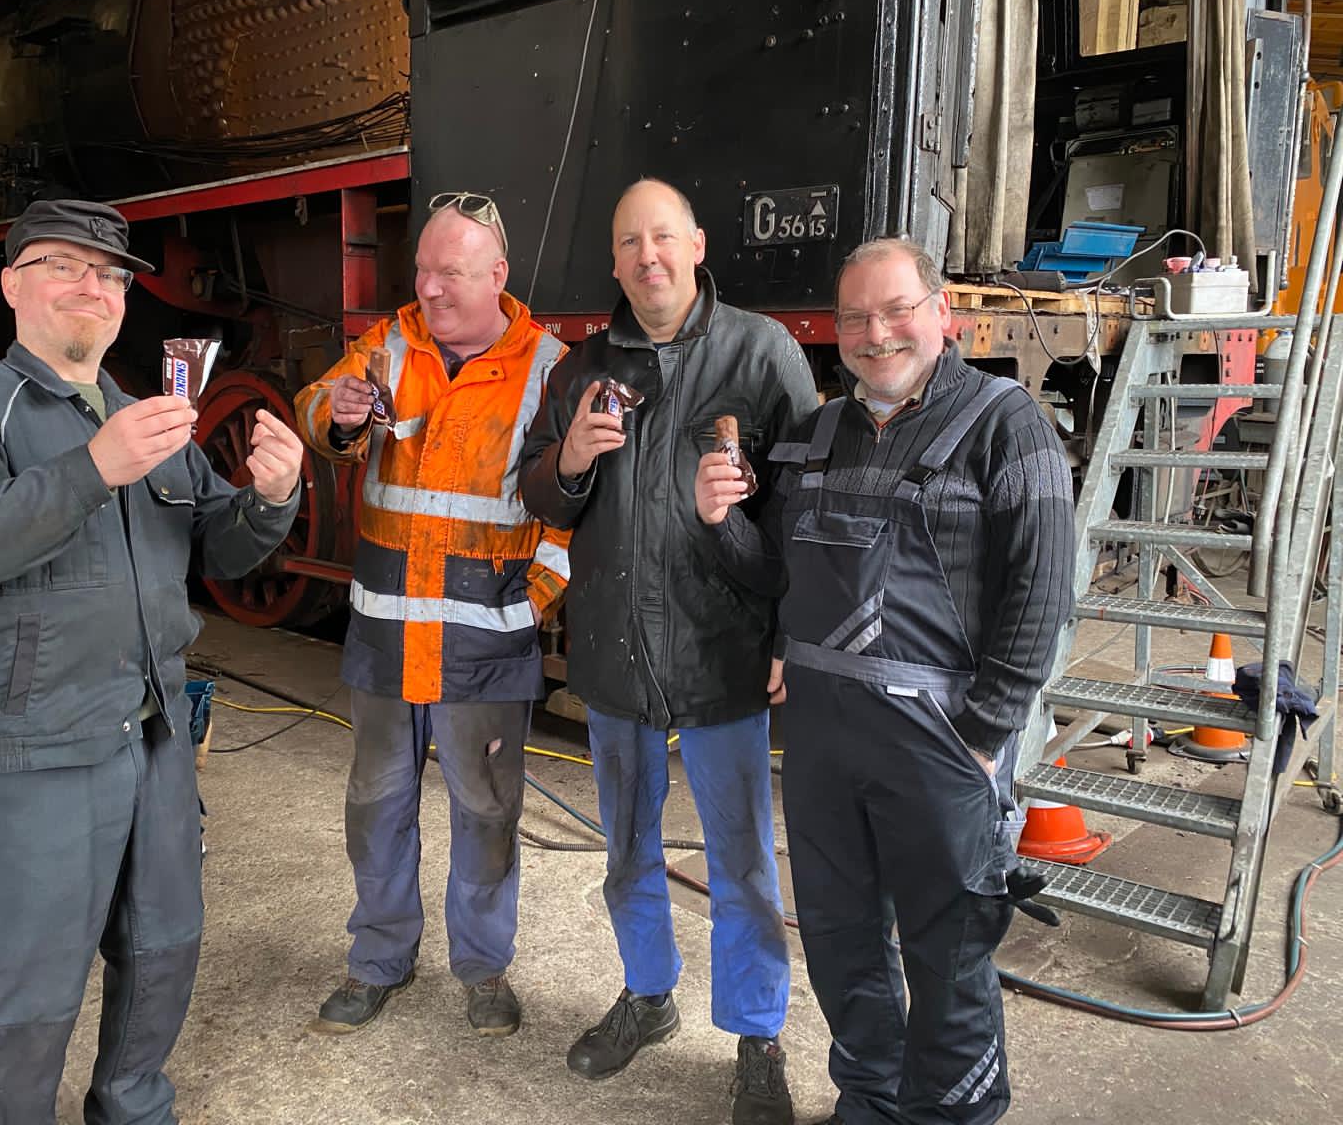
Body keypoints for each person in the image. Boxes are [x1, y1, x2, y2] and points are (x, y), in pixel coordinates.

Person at [0, 198, 304, 1125]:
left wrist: (272, 498)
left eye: (110, 275)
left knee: (164, 953)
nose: (93, 286)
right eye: (64, 266)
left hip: (155, 738)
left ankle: (134, 1109)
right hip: (39, 750)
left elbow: (218, 545)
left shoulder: (142, 416)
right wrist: (89, 469)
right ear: (12, 285)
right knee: (28, 1001)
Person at [695, 237, 1076, 1125]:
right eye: (856, 317)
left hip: (942, 740)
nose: (877, 334)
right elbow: (777, 576)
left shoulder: (1006, 423)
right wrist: (721, 522)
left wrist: (985, 734)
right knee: (839, 937)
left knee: (950, 951)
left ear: (943, 314)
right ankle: (868, 1098)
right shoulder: (816, 432)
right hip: (823, 738)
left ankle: (953, 1113)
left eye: (898, 310)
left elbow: (1043, 590)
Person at [519, 178, 817, 1125]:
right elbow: (539, 493)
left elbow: (803, 512)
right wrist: (570, 457)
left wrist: (789, 634)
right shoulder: (582, 368)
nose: (647, 256)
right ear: (614, 263)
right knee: (627, 852)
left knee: (742, 865)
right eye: (628, 242)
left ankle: (758, 1036)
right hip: (616, 655)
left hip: (722, 651)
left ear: (696, 246)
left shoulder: (761, 353)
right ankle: (648, 996)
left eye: (662, 237)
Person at [294, 193, 571, 1039]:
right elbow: (316, 408)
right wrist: (337, 415)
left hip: (485, 642)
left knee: (486, 812)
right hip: (385, 634)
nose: (428, 287)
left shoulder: (550, 369)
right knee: (375, 802)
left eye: (449, 273)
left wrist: (534, 598)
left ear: (497, 275)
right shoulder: (389, 344)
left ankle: (483, 969)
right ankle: (378, 959)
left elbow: (574, 506)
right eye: (422, 269)